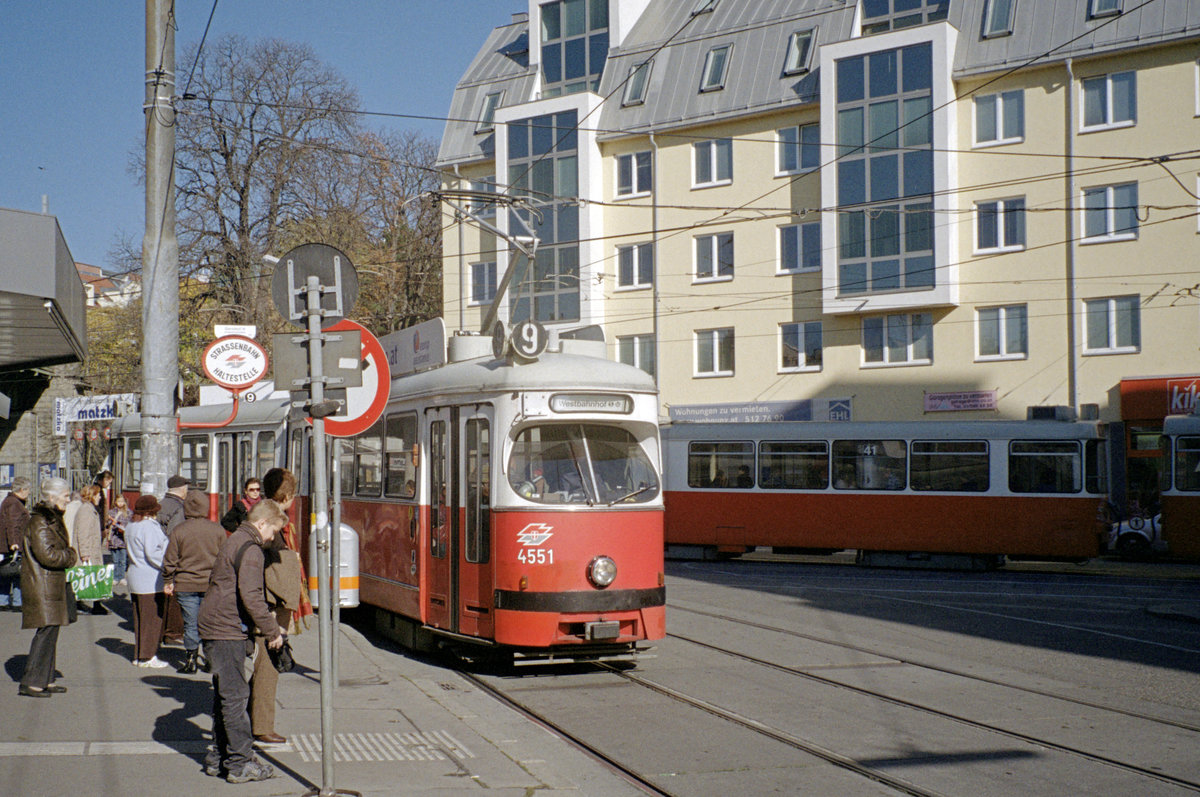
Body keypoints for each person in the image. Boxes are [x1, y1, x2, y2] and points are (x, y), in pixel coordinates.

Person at [198, 500, 287, 783]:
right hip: (227, 628)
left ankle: (220, 757)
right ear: (262, 524)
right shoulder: (252, 550)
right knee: (235, 698)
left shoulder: (236, 538)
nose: (273, 537)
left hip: (216, 625)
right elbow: (252, 596)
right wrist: (273, 631)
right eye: (273, 530)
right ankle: (240, 763)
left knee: (224, 696)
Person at [248, 467, 310, 746]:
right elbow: (279, 572)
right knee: (267, 668)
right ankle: (261, 725)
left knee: (262, 668)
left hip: (266, 606)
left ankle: (256, 718)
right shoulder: (277, 524)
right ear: (286, 495)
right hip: (270, 610)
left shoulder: (265, 513)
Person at [18, 477, 78, 697]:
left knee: (51, 632)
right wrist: (71, 555)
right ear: (52, 497)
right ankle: (32, 682)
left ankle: (46, 679)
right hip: (43, 585)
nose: (68, 499)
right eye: (65, 495)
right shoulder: (41, 521)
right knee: (46, 633)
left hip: (49, 584)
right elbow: (48, 556)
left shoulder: (49, 519)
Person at [162, 489, 225, 674]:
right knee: (209, 624)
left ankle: (190, 661)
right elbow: (224, 559)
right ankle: (211, 660)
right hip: (211, 585)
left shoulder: (179, 531)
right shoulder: (218, 530)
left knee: (191, 624)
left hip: (185, 584)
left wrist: (168, 580)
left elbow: (170, 560)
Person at [126, 495, 169, 668]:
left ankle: (139, 655)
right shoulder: (150, 527)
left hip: (135, 576)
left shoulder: (131, 526)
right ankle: (148, 656)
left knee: (140, 619)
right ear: (152, 512)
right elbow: (153, 553)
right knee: (152, 620)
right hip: (150, 578)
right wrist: (167, 566)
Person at [73, 485, 108, 615]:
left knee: (95, 576)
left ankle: (96, 604)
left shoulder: (90, 509)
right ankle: (79, 604)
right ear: (92, 495)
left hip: (93, 549)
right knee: (87, 576)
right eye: (97, 494)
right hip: (89, 551)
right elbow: (83, 532)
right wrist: (85, 553)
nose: (99, 497)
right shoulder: (86, 510)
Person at [0, 477, 31, 611]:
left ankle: (3, 600)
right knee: (17, 573)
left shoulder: (10, 501)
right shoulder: (14, 503)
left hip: (7, 544)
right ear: (21, 490)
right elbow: (12, 524)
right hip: (14, 545)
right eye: (28, 490)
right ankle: (17, 602)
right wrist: (14, 543)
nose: (29, 493)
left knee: (6, 572)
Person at [107, 494, 132, 585]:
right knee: (115, 560)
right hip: (114, 538)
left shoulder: (128, 512)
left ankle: (121, 576)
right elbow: (107, 524)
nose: (120, 503)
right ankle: (115, 577)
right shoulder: (111, 512)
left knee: (123, 560)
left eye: (122, 501)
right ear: (115, 502)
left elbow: (130, 524)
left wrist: (123, 527)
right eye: (118, 501)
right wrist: (111, 523)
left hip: (123, 539)